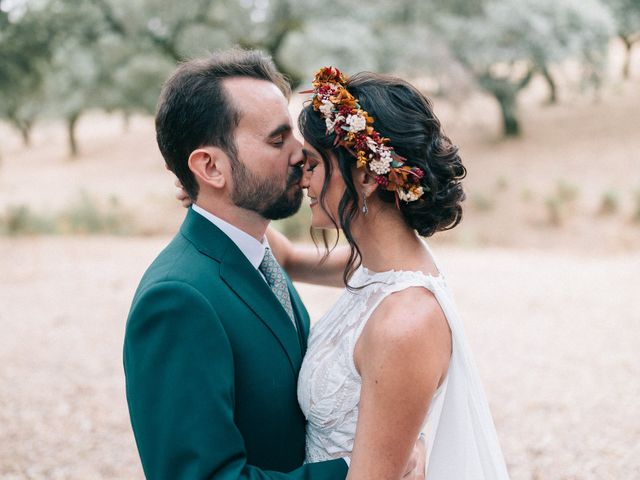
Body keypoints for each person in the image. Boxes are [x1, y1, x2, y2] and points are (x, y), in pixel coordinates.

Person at [124, 50, 425, 479]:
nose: (302, 154)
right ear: (210, 166)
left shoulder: (255, 252)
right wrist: (359, 471)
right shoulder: (178, 301)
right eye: (277, 139)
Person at [252, 67, 511, 478]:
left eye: (314, 164)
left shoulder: (405, 320)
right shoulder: (376, 267)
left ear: (368, 177)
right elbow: (285, 259)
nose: (303, 179)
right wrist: (210, 190)